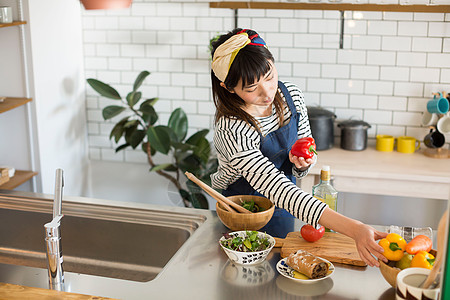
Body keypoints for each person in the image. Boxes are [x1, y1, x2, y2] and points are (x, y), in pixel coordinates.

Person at [209, 28, 388, 267]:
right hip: (242, 210)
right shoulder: (231, 128)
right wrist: (354, 229)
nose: (267, 92)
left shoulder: (291, 95)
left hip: (287, 204)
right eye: (252, 89)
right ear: (228, 88)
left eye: (270, 76)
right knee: (244, 274)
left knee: (277, 272)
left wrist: (302, 164)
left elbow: (306, 147)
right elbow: (273, 184)